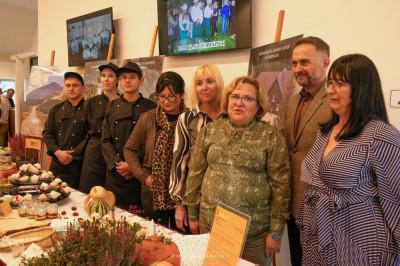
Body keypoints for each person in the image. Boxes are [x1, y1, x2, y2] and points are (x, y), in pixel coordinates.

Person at [297, 53, 400, 264]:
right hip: (317, 237)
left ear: (362, 88)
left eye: (340, 84)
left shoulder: (380, 134)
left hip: (358, 241)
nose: (331, 90)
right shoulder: (326, 131)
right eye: (330, 83)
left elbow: (396, 197)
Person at [183, 76, 291, 265]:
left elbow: (281, 186)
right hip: (211, 224)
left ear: (258, 106)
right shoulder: (210, 131)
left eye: (247, 98)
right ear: (227, 100)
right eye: (235, 97)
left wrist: (276, 231)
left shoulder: (271, 136)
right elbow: (195, 174)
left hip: (254, 234)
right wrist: (192, 214)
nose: (239, 103)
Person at [284, 36, 331, 266]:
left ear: (325, 63)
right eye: (294, 63)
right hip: (293, 203)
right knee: (297, 260)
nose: (297, 69)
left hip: (323, 207)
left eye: (304, 62)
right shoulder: (292, 101)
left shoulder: (336, 100)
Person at [124, 71, 188, 229]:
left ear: (181, 95)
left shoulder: (190, 119)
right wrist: (144, 177)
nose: (166, 101)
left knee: (180, 236)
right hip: (152, 192)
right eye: (161, 96)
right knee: (156, 235)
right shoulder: (148, 117)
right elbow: (130, 149)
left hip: (182, 193)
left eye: (171, 96)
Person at [169, 64, 225, 233]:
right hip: (197, 198)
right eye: (199, 83)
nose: (204, 87)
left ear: (219, 84)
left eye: (210, 81)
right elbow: (179, 161)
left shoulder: (231, 115)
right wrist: (180, 204)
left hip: (228, 197)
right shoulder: (187, 118)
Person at [102, 62, 156, 212]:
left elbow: (152, 144)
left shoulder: (152, 108)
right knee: (113, 218)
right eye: (123, 77)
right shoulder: (111, 106)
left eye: (132, 77)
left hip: (140, 176)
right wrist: (117, 163)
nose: (127, 81)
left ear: (141, 81)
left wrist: (132, 166)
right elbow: (105, 140)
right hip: (116, 173)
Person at [79, 63, 120, 194]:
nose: (106, 79)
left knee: (113, 195)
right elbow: (84, 129)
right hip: (94, 153)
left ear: (118, 79)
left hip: (116, 153)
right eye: (103, 76)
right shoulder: (90, 103)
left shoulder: (123, 104)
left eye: (111, 76)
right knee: (90, 192)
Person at [42, 72, 87, 188]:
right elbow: (47, 133)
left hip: (80, 163)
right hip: (57, 162)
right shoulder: (55, 109)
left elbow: (91, 135)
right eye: (67, 85)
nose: (71, 89)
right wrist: (57, 152)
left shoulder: (89, 109)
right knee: (54, 194)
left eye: (75, 85)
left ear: (83, 88)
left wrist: (75, 153)